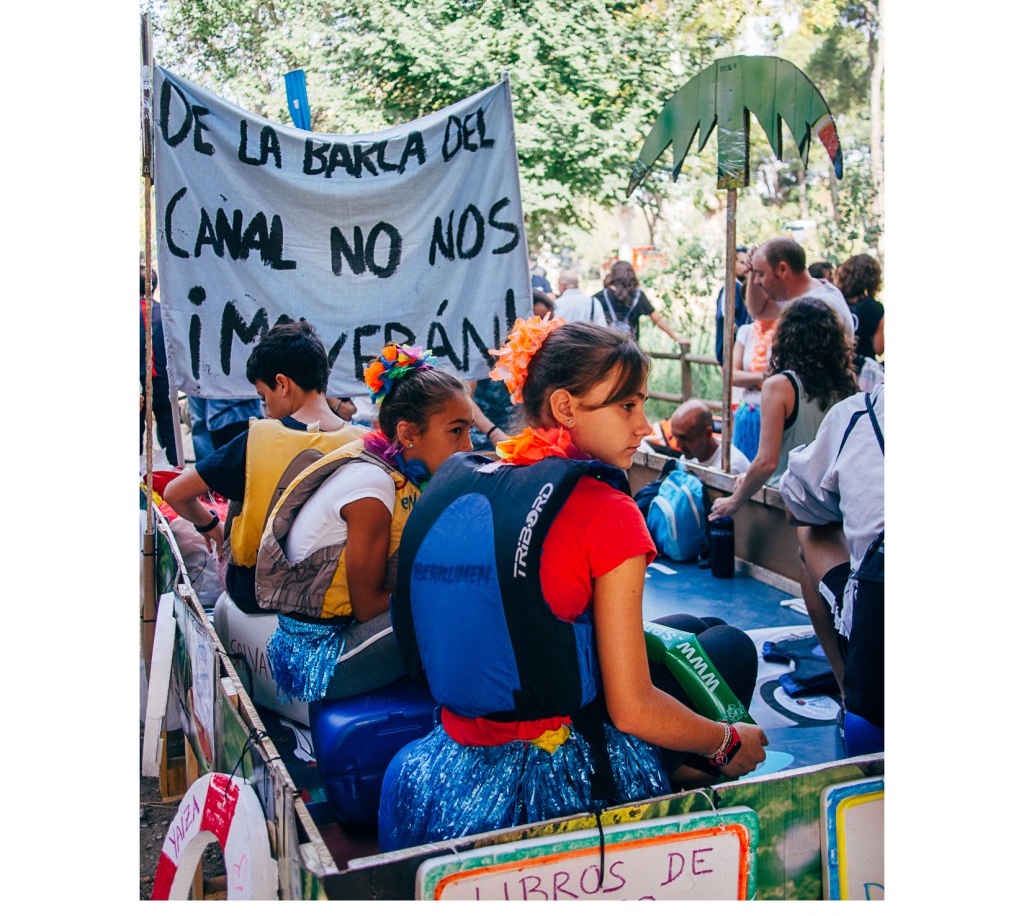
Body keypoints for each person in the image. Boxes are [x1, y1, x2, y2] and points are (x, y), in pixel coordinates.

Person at [382, 318, 767, 849]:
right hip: (560, 765)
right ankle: (679, 776)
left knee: (692, 627)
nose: (644, 427)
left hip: (461, 739)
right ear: (564, 407)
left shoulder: (480, 474)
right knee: (731, 649)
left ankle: (678, 763)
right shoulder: (607, 508)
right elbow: (632, 708)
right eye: (626, 406)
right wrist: (725, 743)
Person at [255, 344, 474, 702]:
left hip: (349, 633)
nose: (468, 446)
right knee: (460, 604)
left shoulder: (394, 468)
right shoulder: (372, 488)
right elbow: (368, 607)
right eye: (456, 431)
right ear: (407, 434)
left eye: (468, 430)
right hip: (321, 658)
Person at [163, 321, 360, 614]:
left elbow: (174, 493)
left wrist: (212, 528)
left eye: (263, 396)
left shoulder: (258, 439)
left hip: (258, 593)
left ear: (282, 384)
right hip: (335, 592)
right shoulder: (363, 442)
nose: (266, 408)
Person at [778, 385, 884, 743]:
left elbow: (796, 507)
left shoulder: (861, 412)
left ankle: (848, 693)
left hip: (879, 615)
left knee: (813, 531)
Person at [709, 298, 858, 521]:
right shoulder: (847, 382)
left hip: (788, 500)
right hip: (833, 498)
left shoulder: (779, 386)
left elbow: (766, 462)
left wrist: (734, 501)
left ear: (786, 337)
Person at [750, 237, 855, 336]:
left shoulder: (815, 308)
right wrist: (753, 267)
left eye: (761, 274)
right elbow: (759, 311)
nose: (756, 281)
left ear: (783, 269)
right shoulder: (804, 296)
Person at [730, 260, 781, 463]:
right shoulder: (746, 332)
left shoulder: (786, 331)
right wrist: (765, 376)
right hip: (750, 411)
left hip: (777, 414)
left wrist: (753, 378)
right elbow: (732, 376)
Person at [139, 267, 179, 467]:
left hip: (141, 382)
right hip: (164, 381)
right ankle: (173, 473)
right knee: (170, 434)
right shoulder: (165, 314)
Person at [645, 399, 751, 472]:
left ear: (707, 434)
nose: (677, 444)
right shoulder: (688, 457)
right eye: (674, 436)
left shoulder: (731, 466)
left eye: (684, 438)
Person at [594, 259, 682, 344]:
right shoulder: (638, 296)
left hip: (608, 348)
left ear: (613, 275)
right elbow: (657, 319)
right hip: (631, 348)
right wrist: (676, 338)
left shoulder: (600, 297)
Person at [836, 253, 884, 361]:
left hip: (839, 364)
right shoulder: (875, 307)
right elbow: (879, 349)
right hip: (864, 365)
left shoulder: (836, 300)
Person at [714, 246, 751, 364]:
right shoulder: (731, 287)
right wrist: (743, 335)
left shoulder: (744, 288)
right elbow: (727, 316)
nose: (746, 267)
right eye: (742, 263)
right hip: (731, 350)